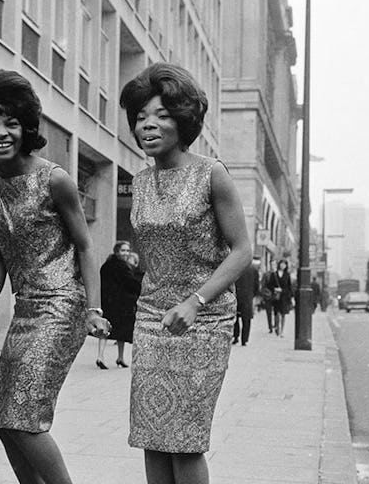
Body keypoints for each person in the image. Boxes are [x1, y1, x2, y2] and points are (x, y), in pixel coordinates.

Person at [0, 69, 111, 484]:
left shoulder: (54, 179)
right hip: (25, 310)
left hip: (62, 307)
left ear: (26, 127)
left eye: (10, 123)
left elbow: (84, 246)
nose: (1, 133)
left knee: (24, 419)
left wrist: (94, 309)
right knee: (5, 422)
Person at [119, 62, 251, 483]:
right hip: (151, 320)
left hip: (203, 321)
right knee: (152, 437)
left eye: (160, 115)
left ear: (183, 119)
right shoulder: (140, 182)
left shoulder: (211, 173)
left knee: (185, 441)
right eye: (140, 118)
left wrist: (197, 301)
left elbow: (242, 250)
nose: (148, 126)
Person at [97, 241, 141, 369]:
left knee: (106, 328)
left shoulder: (106, 265)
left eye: (128, 250)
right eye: (123, 250)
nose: (126, 253)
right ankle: (119, 357)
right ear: (117, 252)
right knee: (121, 330)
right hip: (122, 303)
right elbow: (132, 284)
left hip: (108, 302)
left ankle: (103, 356)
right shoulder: (123, 267)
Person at [233, 257, 261, 346]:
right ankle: (245, 340)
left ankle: (236, 337)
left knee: (235, 318)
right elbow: (257, 285)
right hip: (248, 297)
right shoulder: (253, 269)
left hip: (236, 296)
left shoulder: (236, 268)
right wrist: (253, 295)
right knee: (246, 320)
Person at [268, 259, 293, 337]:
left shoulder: (287, 275)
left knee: (283, 314)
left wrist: (282, 290)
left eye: (284, 264)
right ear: (279, 265)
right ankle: (277, 327)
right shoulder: (274, 274)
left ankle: (282, 331)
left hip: (284, 297)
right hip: (276, 297)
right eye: (282, 264)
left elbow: (289, 287)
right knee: (276, 314)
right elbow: (269, 285)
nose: (283, 266)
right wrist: (275, 289)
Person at [260, 260, 277, 333]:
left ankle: (276, 325)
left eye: (274, 264)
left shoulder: (278, 274)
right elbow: (263, 286)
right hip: (268, 296)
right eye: (271, 264)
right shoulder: (266, 274)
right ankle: (270, 327)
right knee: (269, 312)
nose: (273, 266)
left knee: (277, 312)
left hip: (276, 296)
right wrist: (265, 294)